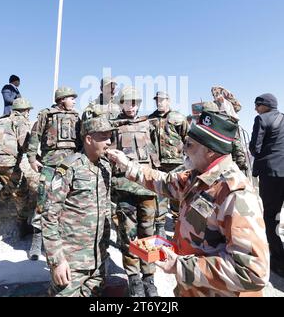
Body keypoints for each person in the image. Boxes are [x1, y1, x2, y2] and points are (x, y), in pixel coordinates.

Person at [108, 110, 269, 297]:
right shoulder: (197, 177)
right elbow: (165, 181)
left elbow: (253, 272)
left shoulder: (235, 195)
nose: (183, 149)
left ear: (210, 151)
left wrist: (180, 266)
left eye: (189, 145)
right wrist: (127, 165)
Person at [41, 117, 113, 297]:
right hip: (71, 263)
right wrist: (57, 261)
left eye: (110, 136)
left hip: (98, 261)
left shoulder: (106, 167)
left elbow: (106, 209)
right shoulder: (68, 167)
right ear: (89, 139)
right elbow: (49, 215)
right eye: (104, 137)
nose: (109, 141)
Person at [111, 87, 159, 297]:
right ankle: (135, 280)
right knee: (129, 236)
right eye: (128, 102)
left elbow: (156, 152)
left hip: (147, 187)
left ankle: (149, 279)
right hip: (124, 188)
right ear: (121, 103)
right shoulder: (113, 126)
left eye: (135, 102)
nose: (132, 106)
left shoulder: (147, 124)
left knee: (148, 235)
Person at [27, 87, 81, 260]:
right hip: (50, 164)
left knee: (69, 201)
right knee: (43, 199)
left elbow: (80, 141)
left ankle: (64, 240)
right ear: (61, 99)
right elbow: (35, 135)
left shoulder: (76, 117)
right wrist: (32, 158)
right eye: (71, 98)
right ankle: (37, 240)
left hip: (70, 165)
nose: (74, 101)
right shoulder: (46, 114)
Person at [0, 98, 33, 254]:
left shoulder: (0, 121)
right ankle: (22, 225)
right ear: (25, 110)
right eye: (28, 111)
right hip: (8, 165)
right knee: (23, 192)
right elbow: (24, 144)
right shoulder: (20, 121)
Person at [249, 93, 284, 278]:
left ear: (265, 106)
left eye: (257, 105)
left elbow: (255, 147)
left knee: (271, 218)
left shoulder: (261, 119)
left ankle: (278, 262)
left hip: (271, 175)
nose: (255, 109)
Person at [149, 91, 188, 236]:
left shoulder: (178, 117)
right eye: (157, 100)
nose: (159, 103)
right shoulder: (150, 119)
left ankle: (179, 227)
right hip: (158, 165)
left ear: (168, 101)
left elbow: (187, 138)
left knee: (178, 196)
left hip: (176, 164)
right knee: (160, 196)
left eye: (162, 100)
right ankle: (160, 228)